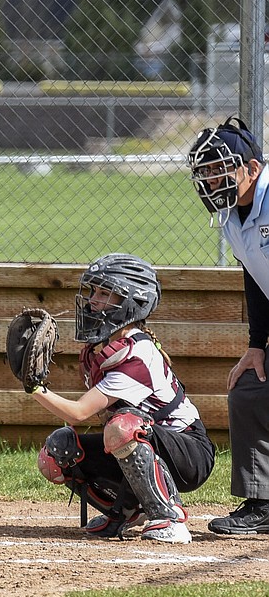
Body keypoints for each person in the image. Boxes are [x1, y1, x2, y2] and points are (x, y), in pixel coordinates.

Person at [30, 254, 215, 544]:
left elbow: (79, 412)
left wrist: (35, 388)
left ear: (133, 301)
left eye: (105, 293)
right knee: (57, 451)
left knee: (121, 426)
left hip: (189, 452)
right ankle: (127, 510)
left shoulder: (138, 354)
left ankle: (169, 517)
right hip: (148, 442)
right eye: (93, 291)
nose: (93, 301)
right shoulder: (103, 349)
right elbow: (77, 421)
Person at [187, 117, 269, 535]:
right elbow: (257, 281)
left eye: (221, 168)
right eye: (205, 171)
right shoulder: (234, 218)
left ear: (252, 169)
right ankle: (263, 502)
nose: (211, 178)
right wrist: (257, 344)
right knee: (250, 388)